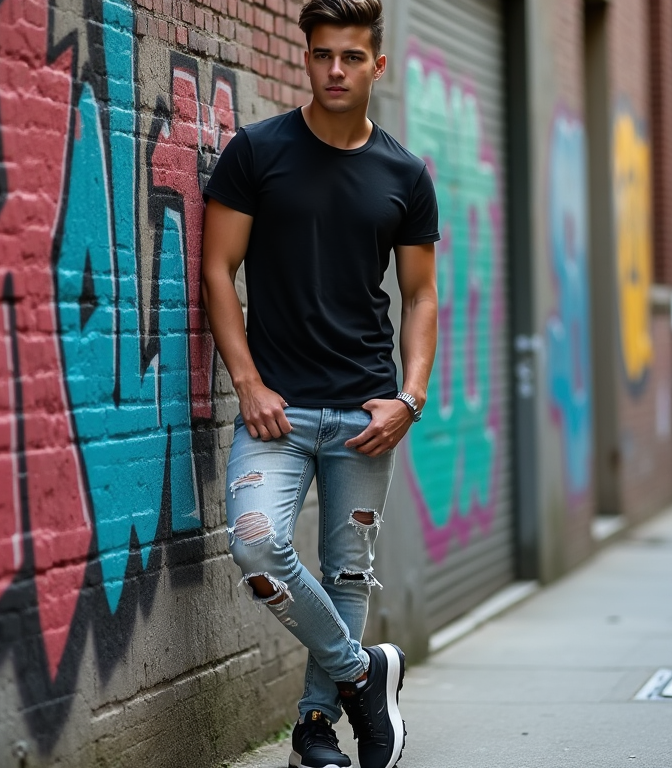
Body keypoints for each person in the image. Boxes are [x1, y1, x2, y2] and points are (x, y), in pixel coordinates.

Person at [201, 1, 438, 766]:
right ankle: (364, 677)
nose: (335, 70)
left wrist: (412, 396)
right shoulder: (257, 153)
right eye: (322, 55)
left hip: (367, 408)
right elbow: (216, 269)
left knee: (346, 573)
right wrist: (248, 382)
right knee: (258, 546)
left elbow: (422, 295)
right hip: (278, 409)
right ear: (306, 58)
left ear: (378, 64)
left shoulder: (404, 173)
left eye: (351, 57)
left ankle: (313, 730)